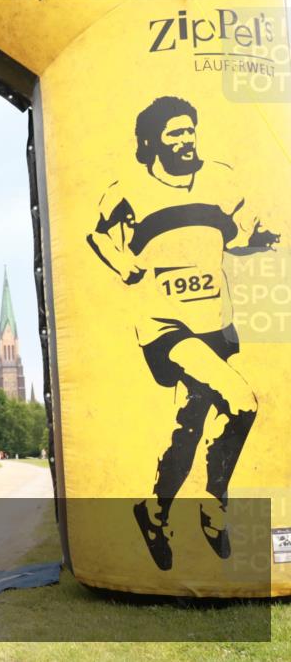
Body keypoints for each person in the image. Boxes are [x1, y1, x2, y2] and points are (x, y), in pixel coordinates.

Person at [87, 96, 280, 571]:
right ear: (151, 141)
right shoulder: (129, 188)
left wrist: (258, 241)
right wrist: (123, 263)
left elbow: (231, 239)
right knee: (242, 401)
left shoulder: (220, 179)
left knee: (188, 430)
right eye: (174, 132)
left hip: (214, 322)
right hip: (164, 325)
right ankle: (215, 508)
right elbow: (98, 234)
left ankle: (153, 512)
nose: (185, 139)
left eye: (189, 129)